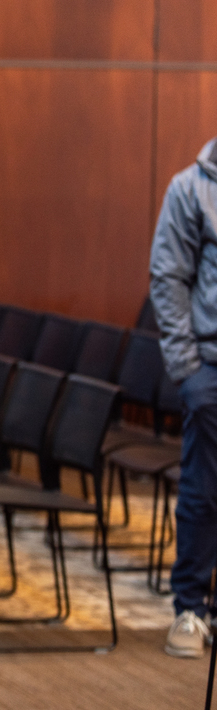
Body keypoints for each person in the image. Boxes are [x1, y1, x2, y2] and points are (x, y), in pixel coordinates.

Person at [151, 136, 217, 659]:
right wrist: (189, 371)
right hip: (211, 369)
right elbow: (169, 278)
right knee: (203, 489)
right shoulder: (191, 187)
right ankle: (190, 609)